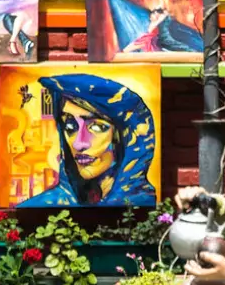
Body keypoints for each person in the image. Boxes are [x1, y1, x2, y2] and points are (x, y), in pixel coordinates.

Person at [17, 72, 158, 207]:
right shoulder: (45, 204)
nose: (79, 143)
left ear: (126, 137)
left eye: (97, 127)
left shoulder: (147, 206)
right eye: (70, 125)